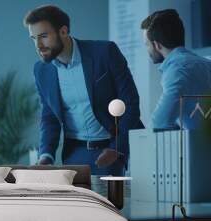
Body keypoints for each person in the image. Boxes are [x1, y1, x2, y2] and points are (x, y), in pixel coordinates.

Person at [24, 5, 144, 175]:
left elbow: (130, 103)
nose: (38, 45)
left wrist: (118, 148)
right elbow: (49, 116)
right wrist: (46, 155)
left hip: (110, 148)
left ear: (63, 31)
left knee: (110, 201)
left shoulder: (105, 53)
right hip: (74, 154)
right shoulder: (41, 70)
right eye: (33, 38)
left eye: (43, 36)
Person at [141, 9, 211, 130]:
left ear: (157, 45)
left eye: (147, 44)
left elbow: (159, 123)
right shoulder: (206, 63)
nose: (147, 50)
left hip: (199, 147)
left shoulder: (176, 70)